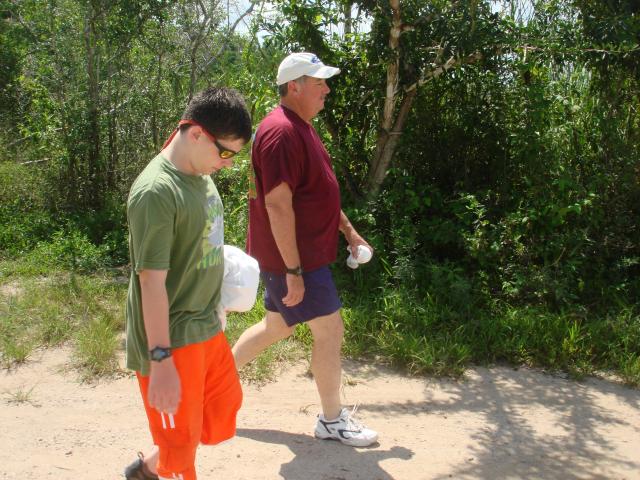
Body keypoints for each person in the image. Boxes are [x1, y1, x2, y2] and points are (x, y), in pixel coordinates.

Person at [232, 52, 378, 447]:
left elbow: (318, 194)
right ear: (294, 87)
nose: (326, 89)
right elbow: (278, 206)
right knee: (330, 330)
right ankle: (332, 420)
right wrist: (293, 271)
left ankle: (211, 380)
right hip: (296, 259)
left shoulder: (301, 128)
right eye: (319, 83)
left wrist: (349, 233)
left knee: (278, 326)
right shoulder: (281, 132)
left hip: (298, 257)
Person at [123, 87, 252, 480]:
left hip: (207, 326)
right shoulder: (156, 193)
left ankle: (149, 468)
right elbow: (151, 283)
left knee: (220, 411)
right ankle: (165, 462)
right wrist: (160, 361)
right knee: (181, 450)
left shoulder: (200, 173)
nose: (227, 164)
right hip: (173, 338)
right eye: (225, 153)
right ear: (196, 133)